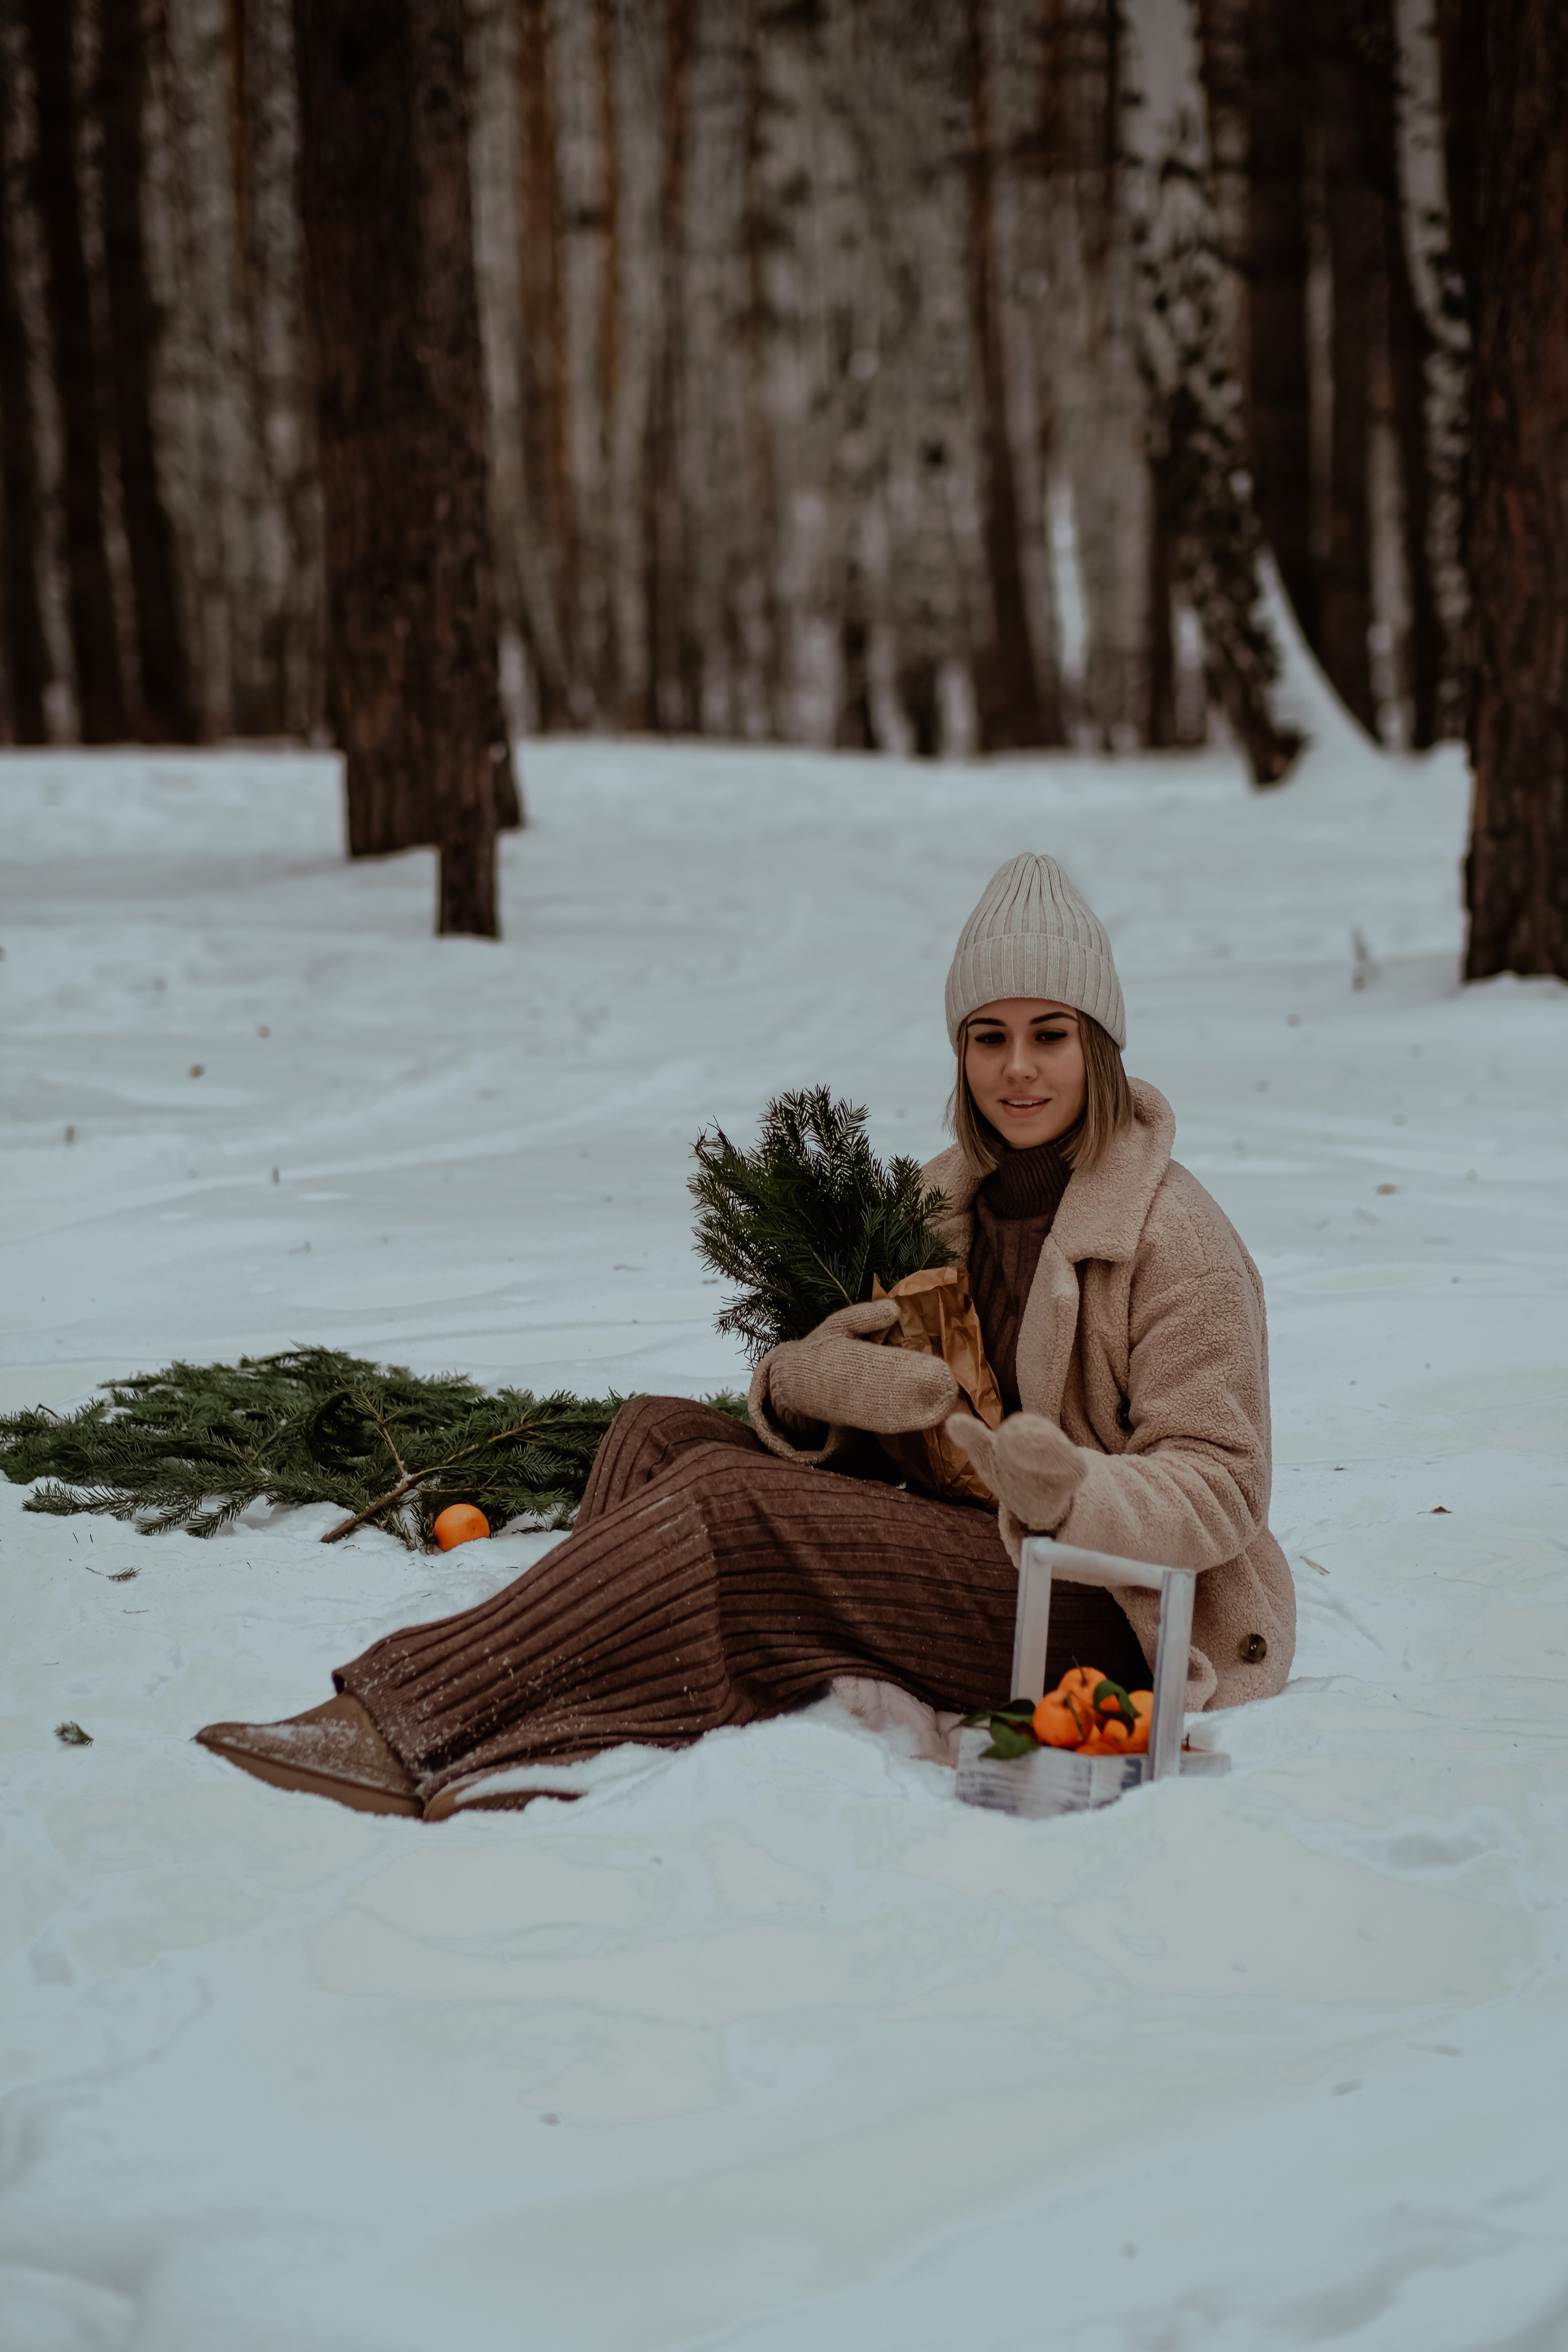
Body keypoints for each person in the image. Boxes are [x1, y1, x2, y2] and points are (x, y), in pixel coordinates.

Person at [197, 854, 1294, 1820]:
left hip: (1098, 1607)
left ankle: (414, 1721)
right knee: (659, 1439)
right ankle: (581, 1706)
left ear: (1097, 1046)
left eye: (1050, 1036)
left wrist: (1069, 1492)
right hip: (965, 1535)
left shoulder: (1173, 1237)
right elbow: (880, 1393)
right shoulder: (936, 1200)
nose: (1019, 1069)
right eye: (989, 1038)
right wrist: (816, 1379)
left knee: (735, 1514)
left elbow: (1222, 1484)